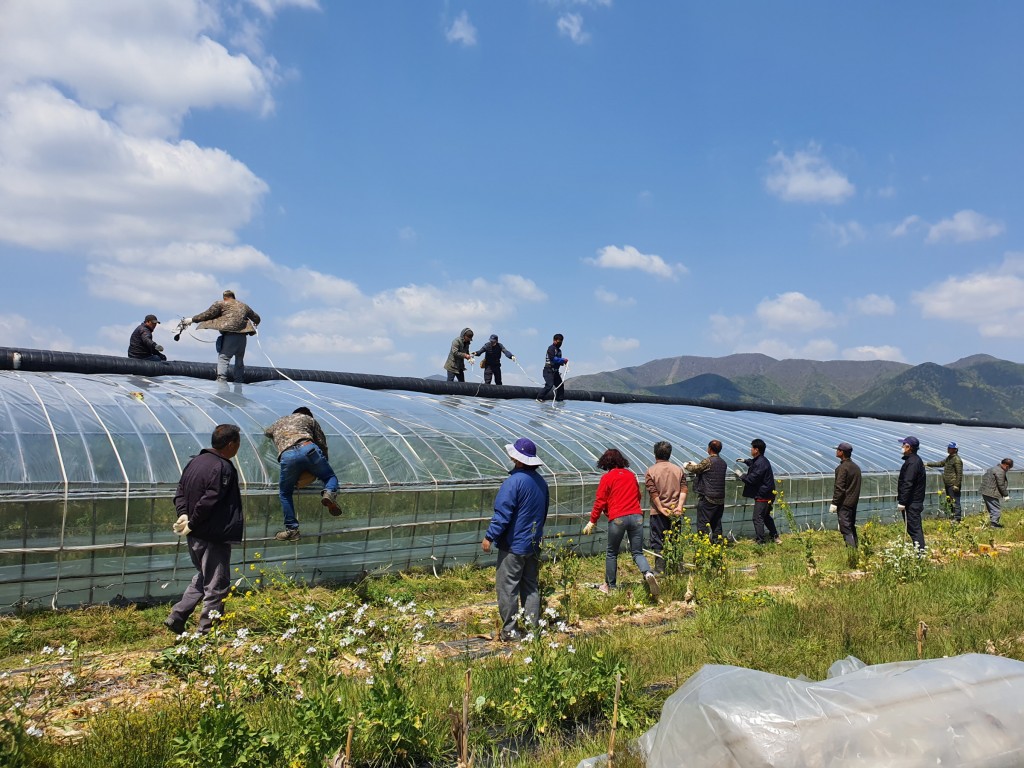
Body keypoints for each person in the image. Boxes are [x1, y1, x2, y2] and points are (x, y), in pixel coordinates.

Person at [165, 424, 244, 635]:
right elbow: (210, 500)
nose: (238, 448)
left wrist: (185, 516)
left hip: (195, 534)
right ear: (230, 444)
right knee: (217, 584)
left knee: (204, 576)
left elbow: (180, 490)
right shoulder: (222, 467)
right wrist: (193, 521)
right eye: (238, 444)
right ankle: (208, 632)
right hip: (212, 533)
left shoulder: (195, 462)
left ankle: (178, 616)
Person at [481, 438, 550, 642]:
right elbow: (543, 513)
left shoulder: (514, 482)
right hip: (533, 543)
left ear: (518, 460)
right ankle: (532, 630)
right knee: (530, 586)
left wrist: (489, 536)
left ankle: (510, 632)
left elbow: (503, 513)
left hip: (514, 545)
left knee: (508, 587)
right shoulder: (541, 482)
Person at [583, 448, 659, 600]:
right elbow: (637, 495)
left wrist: (592, 521)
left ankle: (610, 586)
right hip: (636, 516)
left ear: (605, 463)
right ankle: (647, 573)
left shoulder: (607, 478)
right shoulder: (631, 475)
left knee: (612, 553)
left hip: (618, 518)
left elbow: (600, 501)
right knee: (637, 552)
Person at [264, 407, 341, 542]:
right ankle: (328, 492)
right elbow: (322, 443)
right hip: (308, 448)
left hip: (287, 455)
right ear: (307, 415)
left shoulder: (279, 422)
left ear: (293, 414)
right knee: (329, 477)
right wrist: (322, 464)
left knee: (285, 493)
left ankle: (292, 530)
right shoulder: (309, 419)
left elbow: (267, 432)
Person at [181, 289, 261, 383]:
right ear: (233, 297)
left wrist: (192, 319)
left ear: (225, 297)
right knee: (239, 360)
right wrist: (256, 323)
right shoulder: (243, 306)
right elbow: (256, 317)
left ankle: (221, 380)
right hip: (242, 338)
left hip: (230, 335)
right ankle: (239, 381)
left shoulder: (221, 303)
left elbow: (207, 314)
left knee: (224, 358)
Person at [644, 441, 688, 573]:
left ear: (655, 454)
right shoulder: (678, 470)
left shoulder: (651, 471)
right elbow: (684, 489)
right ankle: (678, 568)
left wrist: (661, 507)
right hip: (675, 511)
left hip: (658, 512)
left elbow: (653, 492)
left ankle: (660, 570)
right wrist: (679, 506)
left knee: (658, 540)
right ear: (670, 454)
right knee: (675, 539)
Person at [735, 438, 779, 544]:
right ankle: (775, 536)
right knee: (765, 516)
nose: (751, 449)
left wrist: (741, 475)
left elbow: (752, 479)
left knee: (757, 517)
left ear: (757, 450)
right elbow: (754, 463)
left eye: (752, 448)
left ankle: (761, 541)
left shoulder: (761, 463)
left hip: (763, 494)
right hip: (768, 493)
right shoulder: (761, 460)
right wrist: (745, 461)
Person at [684, 440, 727, 542]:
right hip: (720, 498)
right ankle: (717, 544)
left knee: (703, 522)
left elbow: (697, 469)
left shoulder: (708, 461)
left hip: (708, 497)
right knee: (716, 522)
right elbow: (708, 472)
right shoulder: (723, 463)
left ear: (710, 449)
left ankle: (703, 545)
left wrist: (687, 465)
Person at [829, 442, 862, 549]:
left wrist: (834, 503)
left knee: (846, 529)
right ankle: (855, 548)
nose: (836, 451)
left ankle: (852, 553)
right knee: (851, 527)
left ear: (841, 452)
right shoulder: (856, 467)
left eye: (838, 450)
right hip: (853, 503)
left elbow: (839, 488)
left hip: (844, 504)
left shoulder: (842, 468)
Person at [897, 436, 927, 550]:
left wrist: (902, 501)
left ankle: (920, 553)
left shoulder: (913, 463)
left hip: (912, 502)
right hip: (913, 501)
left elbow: (908, 482)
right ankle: (919, 551)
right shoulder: (913, 460)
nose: (902, 447)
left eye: (903, 445)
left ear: (909, 447)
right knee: (912, 528)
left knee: (914, 529)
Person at [926, 442, 964, 522]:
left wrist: (956, 485)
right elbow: (940, 463)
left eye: (950, 448)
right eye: (948, 448)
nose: (948, 449)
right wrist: (927, 464)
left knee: (955, 501)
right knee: (950, 501)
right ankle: (952, 515)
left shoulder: (957, 460)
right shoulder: (949, 458)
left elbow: (959, 473)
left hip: (953, 484)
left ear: (955, 449)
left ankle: (957, 518)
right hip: (948, 483)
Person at [979, 458, 1014, 529]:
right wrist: (1006, 495)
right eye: (1009, 468)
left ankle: (993, 523)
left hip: (985, 491)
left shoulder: (993, 468)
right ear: (1007, 466)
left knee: (992, 509)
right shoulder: (1000, 471)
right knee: (996, 509)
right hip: (991, 492)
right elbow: (1000, 484)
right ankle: (994, 525)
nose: (1008, 470)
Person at [537, 333, 568, 402]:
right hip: (548, 370)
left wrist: (563, 363)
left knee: (560, 386)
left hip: (555, 372)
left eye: (561, 341)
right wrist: (562, 360)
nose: (560, 343)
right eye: (558, 341)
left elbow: (558, 362)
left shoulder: (559, 351)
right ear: (554, 340)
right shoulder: (551, 348)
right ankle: (539, 398)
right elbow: (553, 358)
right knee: (549, 385)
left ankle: (560, 400)